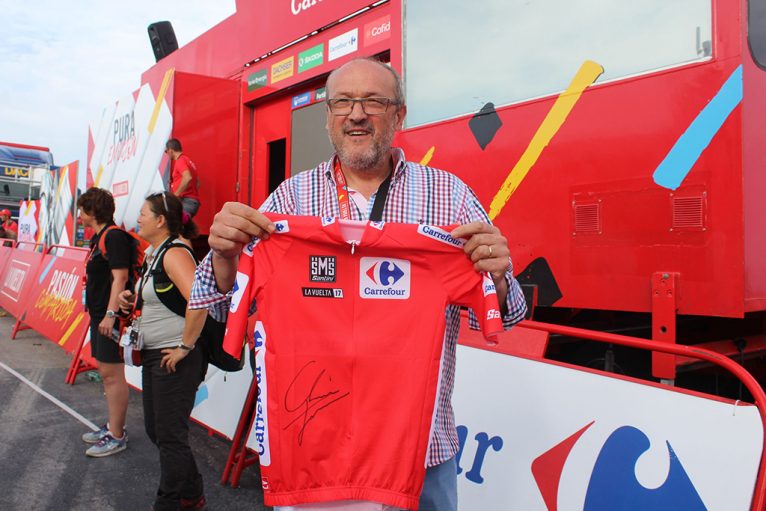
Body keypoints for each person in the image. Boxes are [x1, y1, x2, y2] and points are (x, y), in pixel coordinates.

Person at [190, 58, 527, 511]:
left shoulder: (450, 196)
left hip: (422, 451)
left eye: (373, 101)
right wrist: (225, 255)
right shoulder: (289, 199)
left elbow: (508, 312)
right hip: (318, 453)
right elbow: (218, 301)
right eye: (343, 102)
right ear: (329, 117)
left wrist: (500, 276)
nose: (356, 114)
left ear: (400, 115)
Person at [118, 192, 208, 511]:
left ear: (160, 220)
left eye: (143, 213)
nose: (138, 218)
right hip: (155, 353)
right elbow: (162, 296)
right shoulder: (154, 252)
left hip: (174, 356)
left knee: (170, 436)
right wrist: (131, 299)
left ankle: (168, 503)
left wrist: (184, 346)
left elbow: (199, 300)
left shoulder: (175, 253)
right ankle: (192, 492)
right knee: (158, 431)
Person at [77, 187, 133, 457]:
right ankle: (113, 426)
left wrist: (111, 315)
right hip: (100, 315)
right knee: (107, 375)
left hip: (110, 318)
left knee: (112, 377)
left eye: (81, 209)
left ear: (92, 211)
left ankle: (117, 435)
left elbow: (120, 278)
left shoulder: (114, 237)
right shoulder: (98, 238)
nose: (79, 215)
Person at [165, 139, 201, 218]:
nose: (166, 154)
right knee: (179, 227)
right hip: (190, 201)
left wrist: (176, 194)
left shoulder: (180, 161)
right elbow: (198, 183)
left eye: (166, 151)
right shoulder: (187, 160)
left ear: (170, 150)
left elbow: (187, 177)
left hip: (187, 201)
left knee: (177, 226)